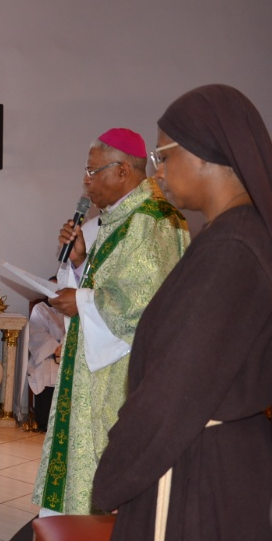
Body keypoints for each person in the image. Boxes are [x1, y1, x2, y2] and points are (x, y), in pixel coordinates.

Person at [90, 85, 272, 541]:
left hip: (198, 479)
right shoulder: (233, 238)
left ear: (205, 154)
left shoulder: (234, 250)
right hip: (210, 464)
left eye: (163, 155)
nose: (157, 171)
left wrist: (113, 472)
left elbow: (176, 388)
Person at [32, 128, 190, 515]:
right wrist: (79, 262)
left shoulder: (154, 221)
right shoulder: (118, 218)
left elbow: (144, 302)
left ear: (122, 171)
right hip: (94, 368)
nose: (85, 181)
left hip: (122, 377)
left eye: (92, 170)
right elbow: (108, 284)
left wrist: (82, 300)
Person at [26, 280, 65, 433]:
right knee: (47, 373)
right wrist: (57, 348)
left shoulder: (70, 309)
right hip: (46, 356)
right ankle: (45, 422)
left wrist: (64, 346)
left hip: (67, 354)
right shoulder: (40, 309)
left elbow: (75, 330)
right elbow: (37, 335)